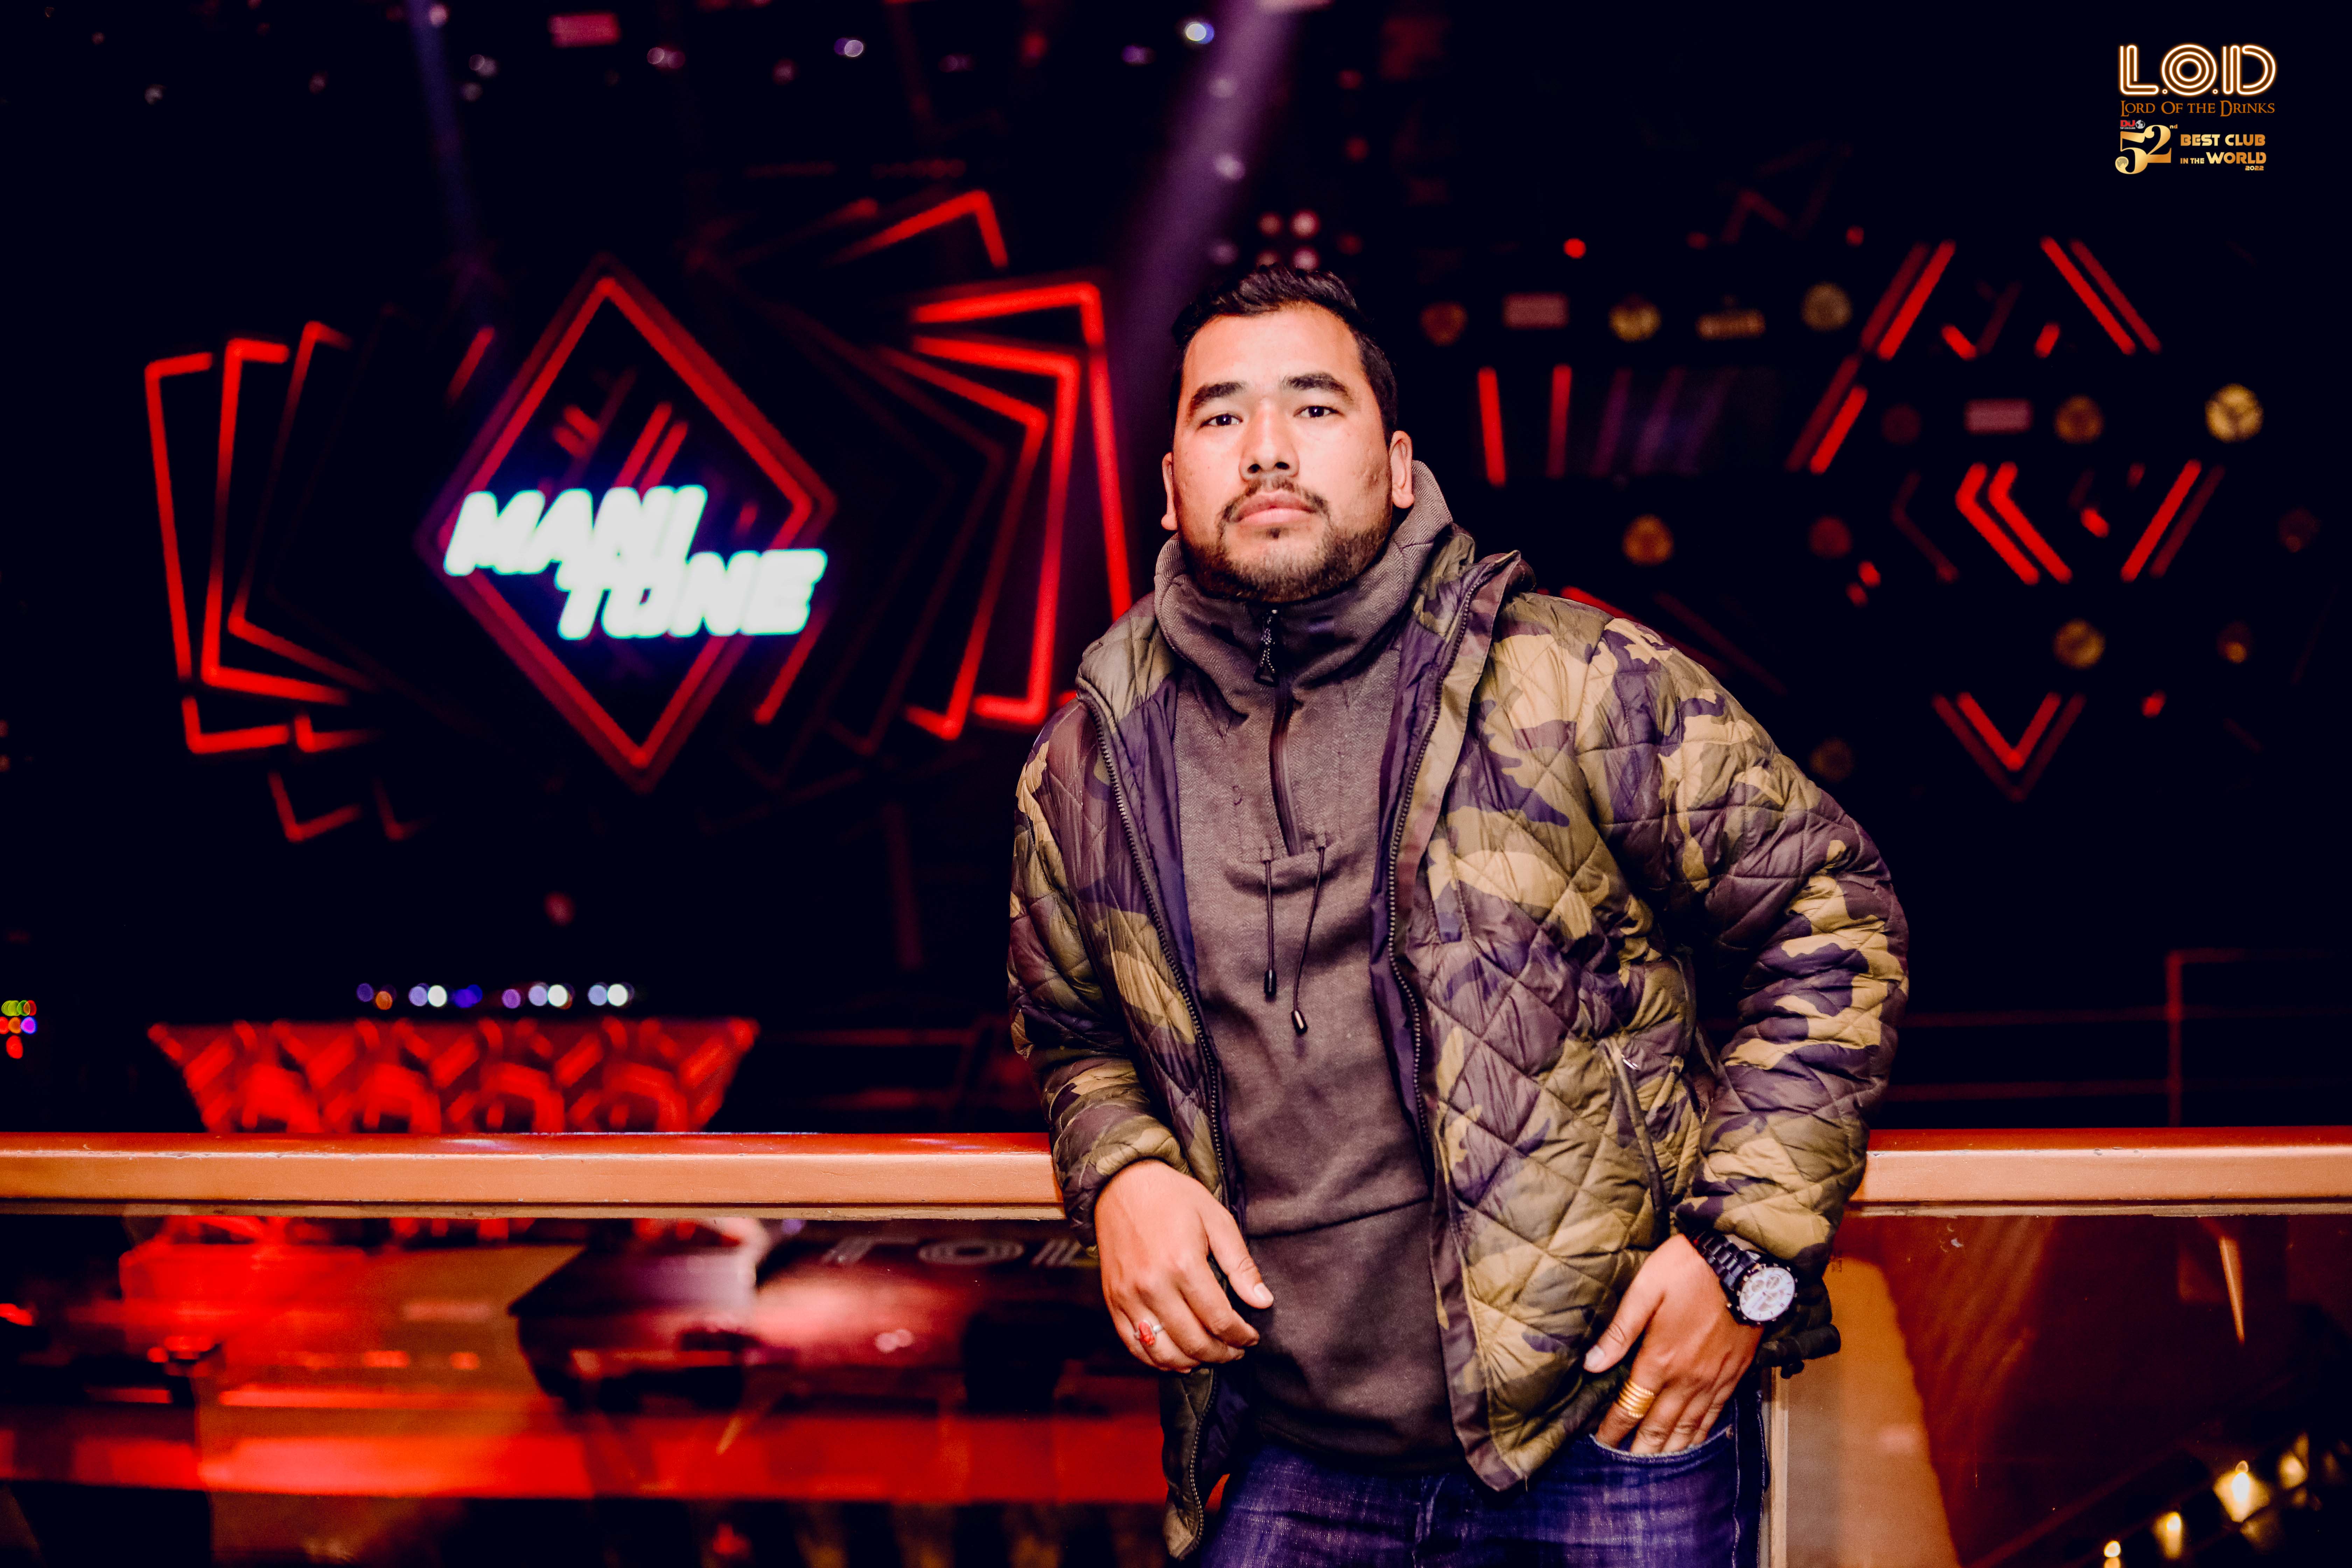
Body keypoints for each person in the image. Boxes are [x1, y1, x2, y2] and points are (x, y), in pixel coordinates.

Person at [1007, 267, 1907, 1565]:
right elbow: (1074, 1034)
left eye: (1315, 407)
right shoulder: (1093, 760)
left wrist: (1740, 1257)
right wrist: (1123, 1170)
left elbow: (1832, 918)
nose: (1267, 448)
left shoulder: (1568, 676)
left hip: (1610, 1434)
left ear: (1397, 467)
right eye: (1222, 415)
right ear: (1168, 484)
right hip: (1287, 1452)